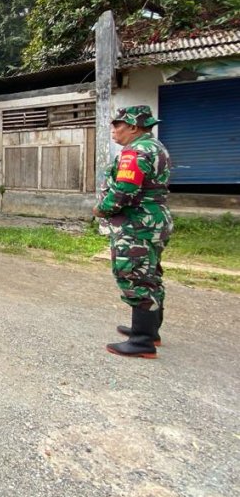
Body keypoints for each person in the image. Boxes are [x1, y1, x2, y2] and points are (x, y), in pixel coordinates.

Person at [94, 106, 172, 359]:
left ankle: (142, 342)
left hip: (137, 223)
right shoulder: (155, 147)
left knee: (134, 275)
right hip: (152, 221)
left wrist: (102, 209)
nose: (114, 130)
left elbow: (124, 191)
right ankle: (149, 331)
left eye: (118, 125)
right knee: (150, 274)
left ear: (134, 128)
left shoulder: (135, 152)